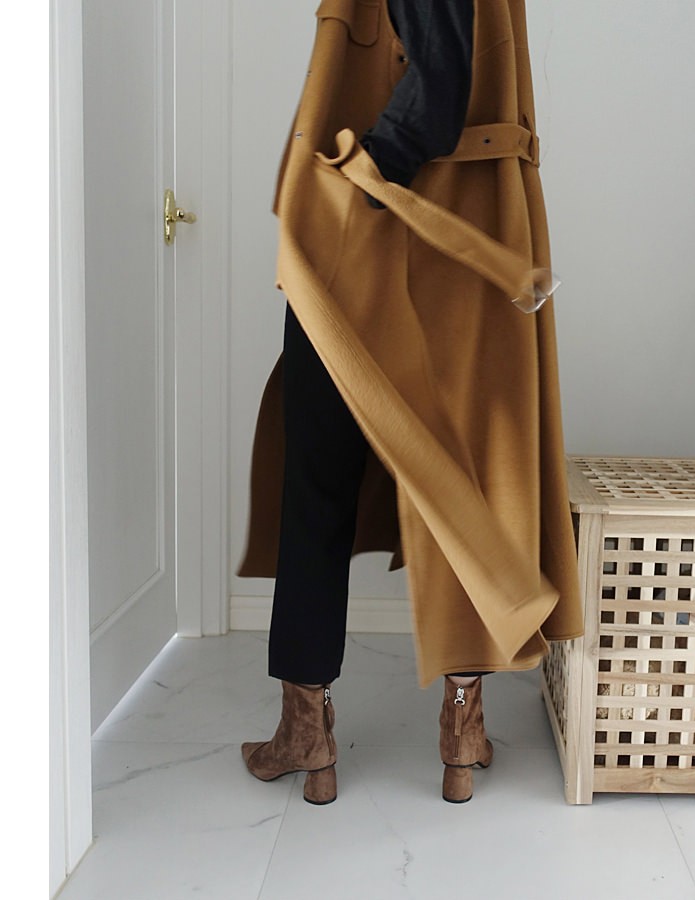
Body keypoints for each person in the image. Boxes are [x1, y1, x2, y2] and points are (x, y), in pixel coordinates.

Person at [237, 0, 583, 806]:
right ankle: (462, 732)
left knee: (318, 480)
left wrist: (367, 172)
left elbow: (437, 86)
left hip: (364, 238)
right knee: (465, 479)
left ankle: (306, 730)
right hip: (468, 231)